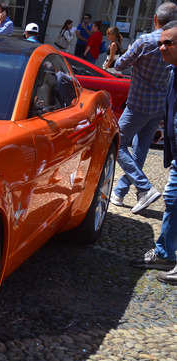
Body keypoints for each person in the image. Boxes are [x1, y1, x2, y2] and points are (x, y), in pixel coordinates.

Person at [112, 2, 177, 214]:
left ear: (156, 20)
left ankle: (144, 187)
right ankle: (120, 192)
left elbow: (120, 65)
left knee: (116, 142)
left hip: (138, 105)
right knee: (140, 150)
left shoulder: (147, 41)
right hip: (160, 106)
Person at [132, 19, 177, 282]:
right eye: (160, 43)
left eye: (167, 43)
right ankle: (165, 254)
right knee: (172, 200)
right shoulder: (172, 72)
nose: (161, 47)